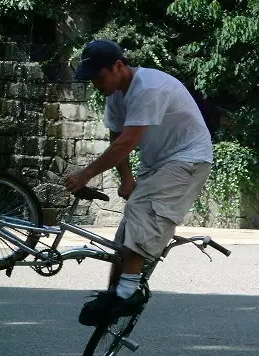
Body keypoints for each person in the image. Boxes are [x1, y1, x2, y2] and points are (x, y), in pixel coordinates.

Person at [64, 39, 213, 324]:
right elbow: (116, 137)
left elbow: (127, 143)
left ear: (119, 66)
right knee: (125, 235)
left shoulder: (149, 88)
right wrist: (127, 177)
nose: (97, 83)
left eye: (100, 76)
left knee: (142, 210)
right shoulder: (115, 96)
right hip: (157, 162)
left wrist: (85, 174)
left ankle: (128, 293)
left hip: (188, 159)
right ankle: (114, 295)